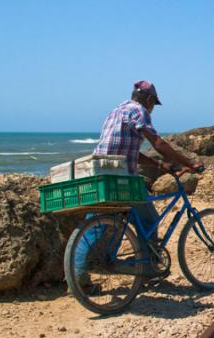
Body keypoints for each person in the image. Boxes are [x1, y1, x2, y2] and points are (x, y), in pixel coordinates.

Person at [75, 80, 201, 282]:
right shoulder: (139, 111)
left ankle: (77, 278)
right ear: (149, 99)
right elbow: (158, 143)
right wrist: (190, 163)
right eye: (154, 104)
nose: (152, 108)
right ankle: (147, 269)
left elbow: (128, 150)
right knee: (149, 220)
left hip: (100, 173)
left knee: (95, 223)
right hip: (122, 178)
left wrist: (160, 165)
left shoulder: (116, 111)